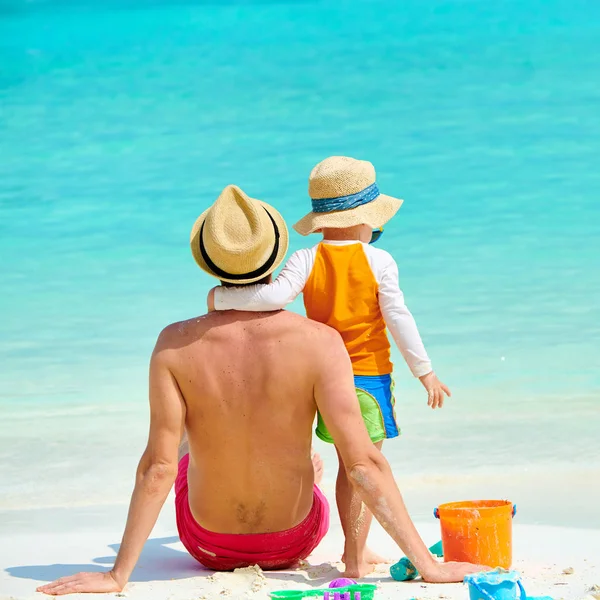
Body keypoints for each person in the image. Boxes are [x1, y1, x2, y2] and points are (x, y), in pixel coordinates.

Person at [38, 185, 482, 596]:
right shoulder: (321, 342)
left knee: (187, 436)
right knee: (312, 450)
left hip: (205, 544)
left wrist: (118, 575)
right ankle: (300, 472)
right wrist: (430, 566)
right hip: (295, 539)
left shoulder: (173, 343)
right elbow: (365, 465)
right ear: (279, 256)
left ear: (206, 262)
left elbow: (158, 469)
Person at [208, 156, 450, 576]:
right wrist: (424, 371)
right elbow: (398, 319)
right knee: (365, 464)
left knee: (344, 462)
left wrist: (220, 299)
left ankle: (349, 547)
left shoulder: (306, 259)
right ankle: (355, 556)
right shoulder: (380, 262)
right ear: (366, 220)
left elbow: (270, 299)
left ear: (322, 221)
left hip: (319, 378)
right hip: (368, 376)